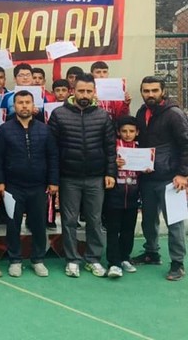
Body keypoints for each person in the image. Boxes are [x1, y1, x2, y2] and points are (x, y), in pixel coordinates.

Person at [48, 73, 116, 278]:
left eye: (88, 91)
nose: (84, 95)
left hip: (96, 177)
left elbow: (110, 147)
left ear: (94, 92)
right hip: (69, 177)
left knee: (95, 221)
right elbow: (52, 149)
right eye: (81, 91)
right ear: (73, 91)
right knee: (69, 220)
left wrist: (110, 172)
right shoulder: (59, 114)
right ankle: (72, 260)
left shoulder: (103, 116)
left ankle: (93, 259)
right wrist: (54, 179)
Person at [0, 90, 59, 278]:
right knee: (13, 224)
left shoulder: (44, 129)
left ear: (33, 105)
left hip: (38, 186)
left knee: (38, 224)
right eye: (20, 102)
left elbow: (53, 156)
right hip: (13, 186)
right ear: (14, 106)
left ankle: (38, 259)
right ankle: (15, 260)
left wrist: (53, 181)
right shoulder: (5, 129)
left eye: (27, 102)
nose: (24, 106)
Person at [133, 76, 188, 281]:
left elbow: (185, 144)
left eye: (154, 90)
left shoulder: (174, 114)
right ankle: (151, 253)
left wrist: (183, 174)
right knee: (148, 220)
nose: (150, 94)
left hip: (171, 179)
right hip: (148, 177)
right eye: (146, 91)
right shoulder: (141, 112)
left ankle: (177, 263)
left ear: (163, 91)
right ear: (141, 92)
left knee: (174, 222)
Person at [104, 116, 142, 278]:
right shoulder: (113, 148)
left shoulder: (141, 149)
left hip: (132, 197)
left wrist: (146, 168)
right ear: (118, 132)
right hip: (114, 196)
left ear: (137, 132)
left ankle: (125, 258)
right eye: (124, 131)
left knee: (128, 230)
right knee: (113, 230)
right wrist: (113, 163)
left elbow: (145, 169)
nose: (128, 134)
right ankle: (113, 263)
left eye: (131, 131)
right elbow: (105, 164)